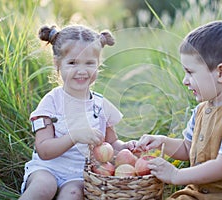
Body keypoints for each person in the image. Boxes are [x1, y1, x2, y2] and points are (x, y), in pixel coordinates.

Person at [136, 20, 222, 199]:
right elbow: (187, 148)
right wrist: (162, 142)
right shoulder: (200, 111)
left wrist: (176, 176)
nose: (185, 80)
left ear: (221, 73)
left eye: (190, 72)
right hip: (195, 195)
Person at [19, 25, 136, 200]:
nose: (82, 70)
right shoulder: (51, 102)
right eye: (72, 62)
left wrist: (125, 148)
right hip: (47, 168)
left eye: (89, 63)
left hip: (78, 175)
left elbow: (111, 143)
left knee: (73, 193)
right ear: (57, 64)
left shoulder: (100, 105)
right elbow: (43, 150)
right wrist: (74, 136)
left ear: (98, 65)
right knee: (44, 187)